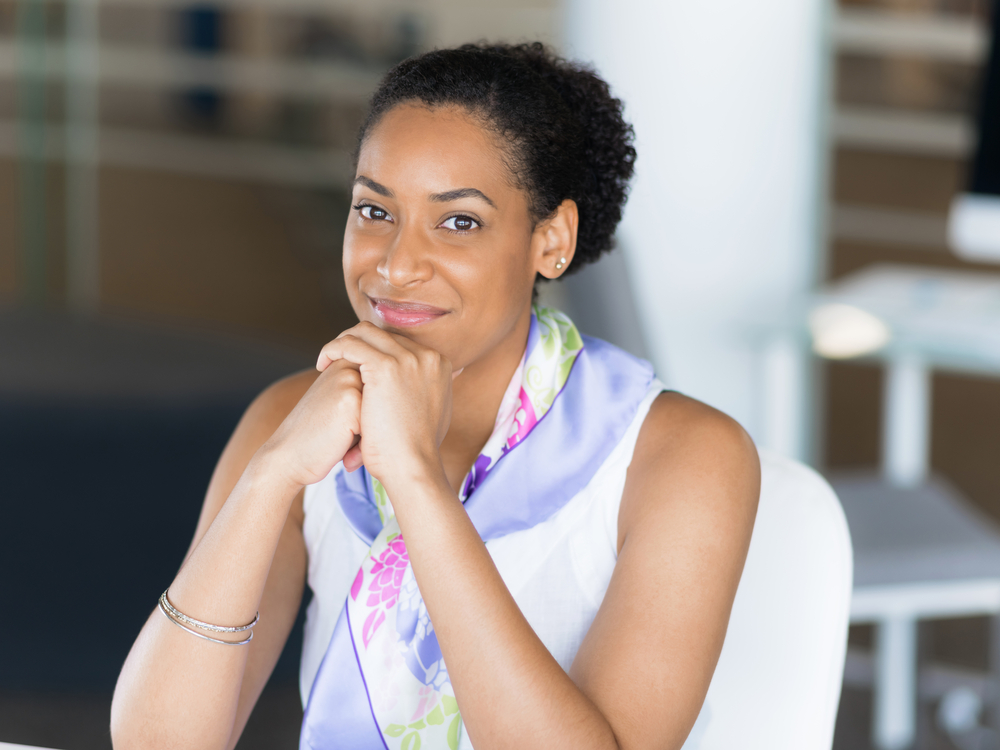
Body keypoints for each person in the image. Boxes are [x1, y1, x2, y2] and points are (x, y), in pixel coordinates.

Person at [110, 42, 760, 750]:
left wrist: (417, 482)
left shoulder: (683, 458)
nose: (396, 264)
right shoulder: (293, 419)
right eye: (373, 210)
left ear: (552, 240)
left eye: (458, 221)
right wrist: (272, 476)